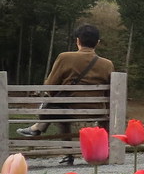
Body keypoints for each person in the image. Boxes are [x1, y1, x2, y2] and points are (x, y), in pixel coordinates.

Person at [17, 25, 115, 162]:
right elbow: (109, 93)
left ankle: (65, 152)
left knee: (59, 107)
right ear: (97, 42)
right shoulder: (107, 64)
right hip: (97, 111)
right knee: (60, 106)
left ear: (78, 40)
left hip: (68, 110)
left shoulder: (65, 57)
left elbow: (50, 86)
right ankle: (100, 153)